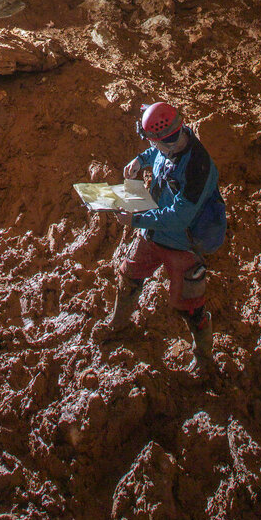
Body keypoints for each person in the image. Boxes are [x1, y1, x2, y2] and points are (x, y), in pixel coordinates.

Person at [100, 101, 224, 369]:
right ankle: (118, 325)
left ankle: (204, 361)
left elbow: (179, 217)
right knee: (130, 274)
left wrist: (136, 219)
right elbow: (156, 154)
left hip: (184, 243)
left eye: (153, 143)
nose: (152, 147)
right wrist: (140, 160)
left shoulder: (198, 168)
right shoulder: (175, 138)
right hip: (153, 234)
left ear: (166, 140)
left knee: (191, 304)